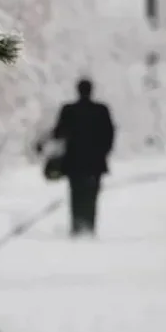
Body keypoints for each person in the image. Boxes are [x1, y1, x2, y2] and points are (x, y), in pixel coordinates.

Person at [51, 78, 115, 237]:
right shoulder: (101, 110)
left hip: (74, 161)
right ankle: (89, 226)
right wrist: (103, 152)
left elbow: (58, 132)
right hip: (95, 162)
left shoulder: (68, 110)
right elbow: (109, 134)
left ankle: (76, 226)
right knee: (92, 194)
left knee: (76, 194)